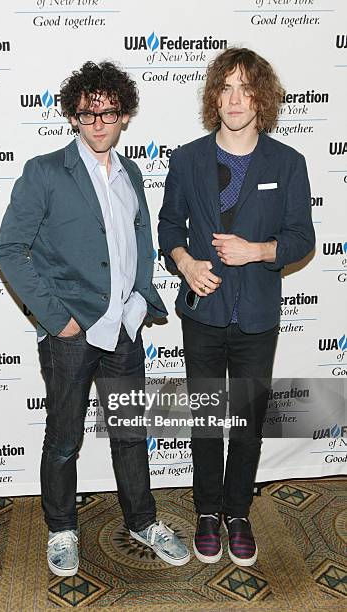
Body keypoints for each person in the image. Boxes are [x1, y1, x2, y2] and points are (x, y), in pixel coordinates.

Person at [0, 61, 190, 577]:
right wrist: (57, 319)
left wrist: (142, 297)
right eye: (88, 113)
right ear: (73, 117)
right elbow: (10, 250)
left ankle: (142, 521)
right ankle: (61, 528)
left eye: (109, 112)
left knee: (130, 432)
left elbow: (140, 241)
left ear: (124, 115)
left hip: (124, 330)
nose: (99, 122)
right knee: (63, 438)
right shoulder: (44, 172)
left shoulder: (132, 174)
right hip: (72, 336)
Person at [158, 47, 315, 567]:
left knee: (246, 420)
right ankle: (206, 512)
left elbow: (301, 238)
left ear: (262, 98)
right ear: (213, 97)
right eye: (225, 87)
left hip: (256, 316)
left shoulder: (288, 163)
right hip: (202, 313)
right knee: (206, 418)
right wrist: (184, 262)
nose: (235, 99)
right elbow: (167, 228)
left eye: (246, 88)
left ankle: (237, 512)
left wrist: (258, 251)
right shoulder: (186, 158)